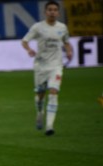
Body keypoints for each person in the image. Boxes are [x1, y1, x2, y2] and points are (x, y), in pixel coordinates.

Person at [21, 0, 73, 136]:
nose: (52, 12)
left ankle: (49, 125)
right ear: (45, 12)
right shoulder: (38, 27)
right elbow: (24, 41)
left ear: (58, 12)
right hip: (41, 66)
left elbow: (66, 42)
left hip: (56, 66)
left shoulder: (62, 27)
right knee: (40, 95)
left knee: (54, 91)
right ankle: (39, 113)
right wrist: (29, 50)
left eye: (55, 10)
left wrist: (69, 51)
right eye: (50, 9)